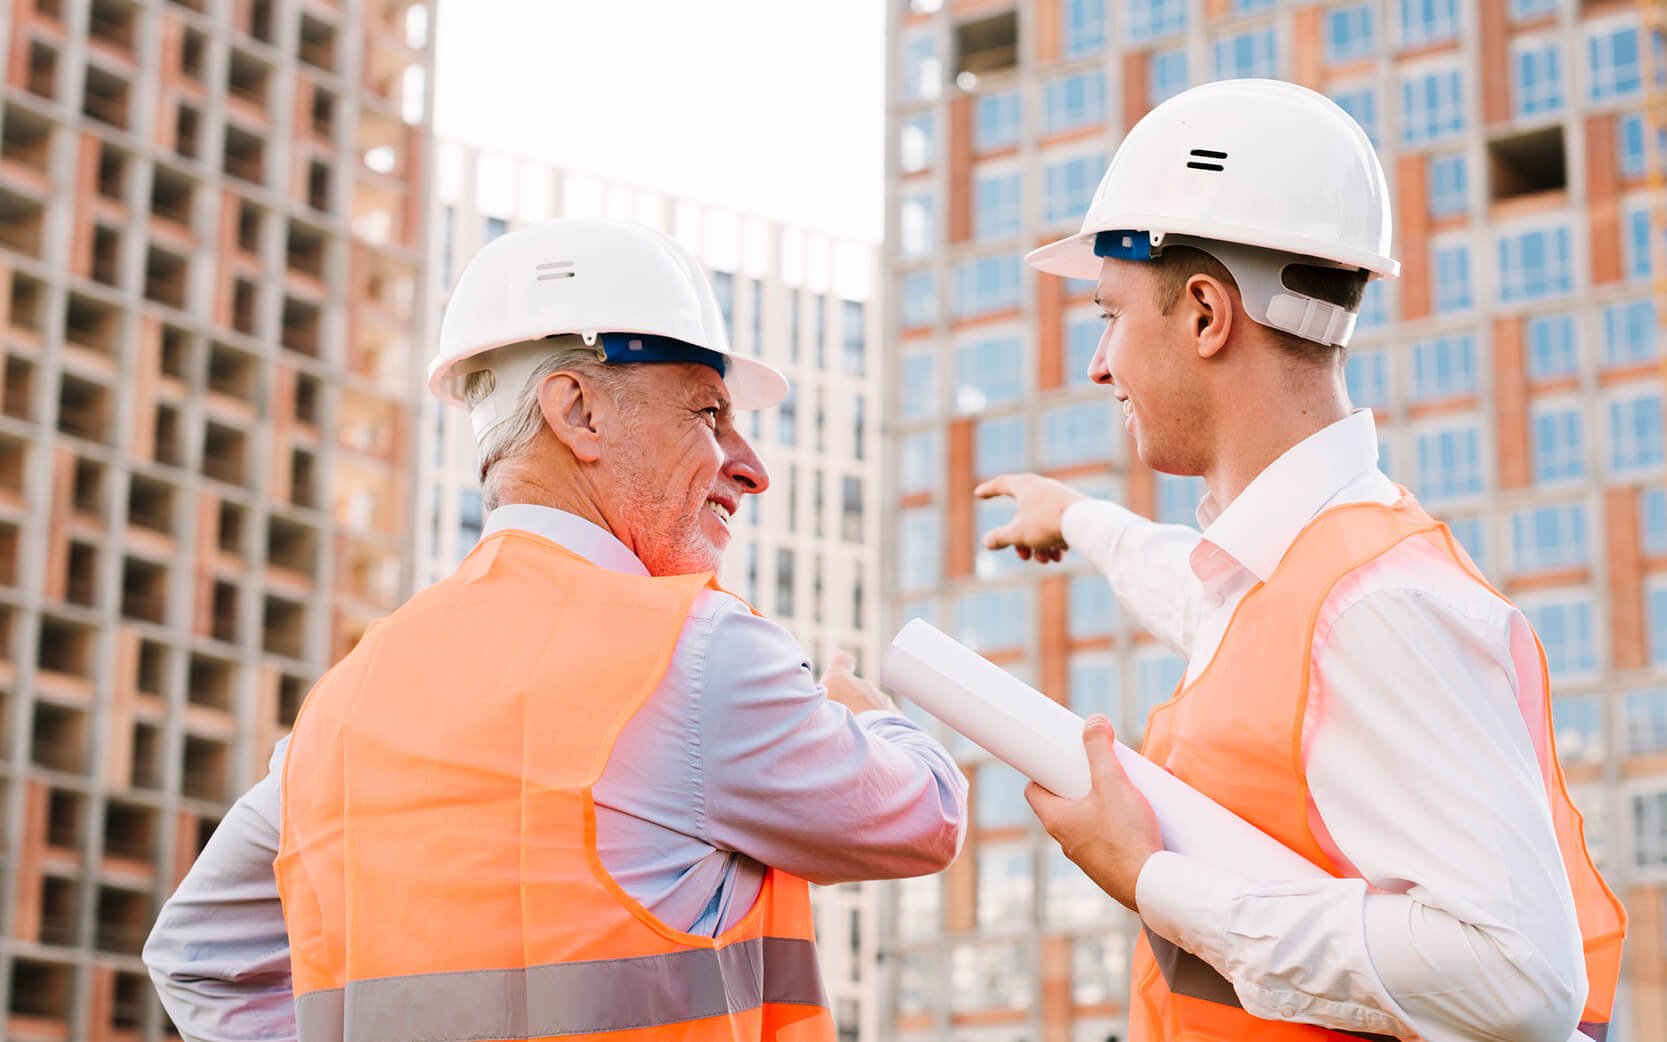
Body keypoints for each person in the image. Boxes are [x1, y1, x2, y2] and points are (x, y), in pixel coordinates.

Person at [144, 218, 967, 1042]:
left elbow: (199, 956)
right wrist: (870, 716)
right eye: (708, 413)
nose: (749, 466)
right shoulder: (693, 650)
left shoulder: (342, 703)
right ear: (577, 412)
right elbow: (922, 818)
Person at [977, 79, 1624, 1042]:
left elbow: (1516, 977)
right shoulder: (1290, 573)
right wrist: (1078, 520)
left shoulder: (1374, 605)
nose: (1098, 365)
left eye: (1107, 316)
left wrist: (1151, 879)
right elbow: (1205, 598)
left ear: (1204, 314)